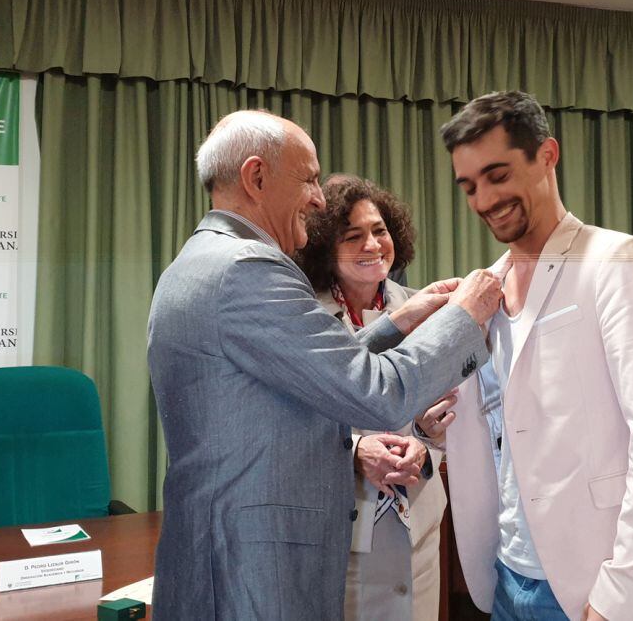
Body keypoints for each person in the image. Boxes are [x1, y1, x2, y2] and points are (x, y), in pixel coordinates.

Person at [146, 110, 502, 620]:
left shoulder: (203, 259)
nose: (317, 200)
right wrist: (468, 315)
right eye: (309, 179)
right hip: (254, 573)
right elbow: (375, 393)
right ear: (256, 177)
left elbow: (304, 370)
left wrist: (398, 321)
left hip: (226, 556)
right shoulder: (250, 269)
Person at [422, 91, 633, 620]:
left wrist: (618, 599)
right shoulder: (484, 291)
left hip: (596, 583)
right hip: (507, 577)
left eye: (498, 175)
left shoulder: (618, 261)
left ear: (547, 156)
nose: (484, 199)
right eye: (469, 186)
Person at [296, 176, 445, 621]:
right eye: (352, 236)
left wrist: (426, 443)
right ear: (325, 246)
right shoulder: (302, 314)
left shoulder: (427, 307)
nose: (373, 245)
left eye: (379, 230)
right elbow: (294, 416)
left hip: (419, 527)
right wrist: (358, 450)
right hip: (342, 535)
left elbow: (452, 414)